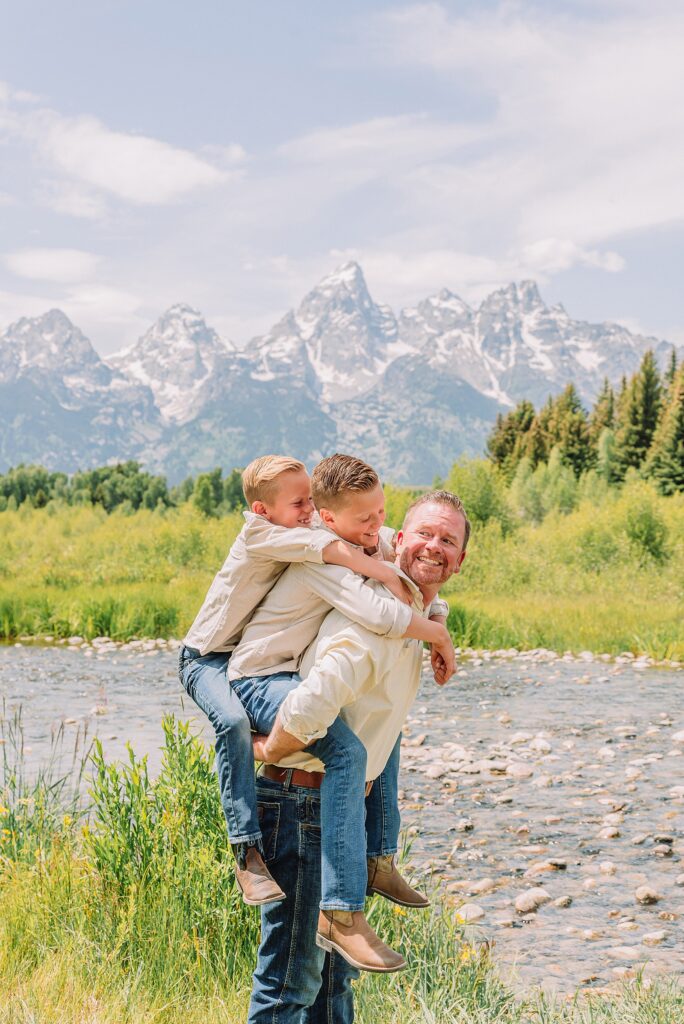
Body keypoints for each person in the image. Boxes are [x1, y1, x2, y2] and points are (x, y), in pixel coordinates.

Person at [247, 490, 470, 1023]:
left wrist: (438, 627)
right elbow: (311, 703)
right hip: (300, 801)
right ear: (397, 537)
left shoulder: (415, 609)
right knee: (291, 984)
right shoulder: (375, 612)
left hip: (335, 809)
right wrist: (268, 748)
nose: (434, 546)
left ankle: (378, 863)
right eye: (424, 533)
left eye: (448, 540)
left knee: (332, 987)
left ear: (461, 560)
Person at [179, 454, 419, 906]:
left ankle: (380, 857)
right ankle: (246, 852)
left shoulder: (299, 530)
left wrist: (405, 544)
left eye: (311, 499)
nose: (308, 510)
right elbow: (332, 548)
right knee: (230, 723)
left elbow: (353, 534)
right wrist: (386, 570)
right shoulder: (258, 534)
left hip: (251, 659)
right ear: (262, 511)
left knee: (380, 718)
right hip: (206, 657)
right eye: (298, 503)